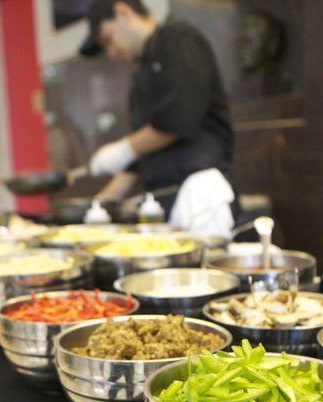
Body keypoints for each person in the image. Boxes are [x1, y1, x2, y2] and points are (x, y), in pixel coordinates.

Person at [80, 0, 237, 236]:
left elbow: (178, 119)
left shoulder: (177, 40)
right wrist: (97, 208)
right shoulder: (141, 75)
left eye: (108, 40)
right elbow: (140, 157)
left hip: (201, 199)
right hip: (162, 207)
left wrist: (124, 149)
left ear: (122, 12)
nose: (111, 53)